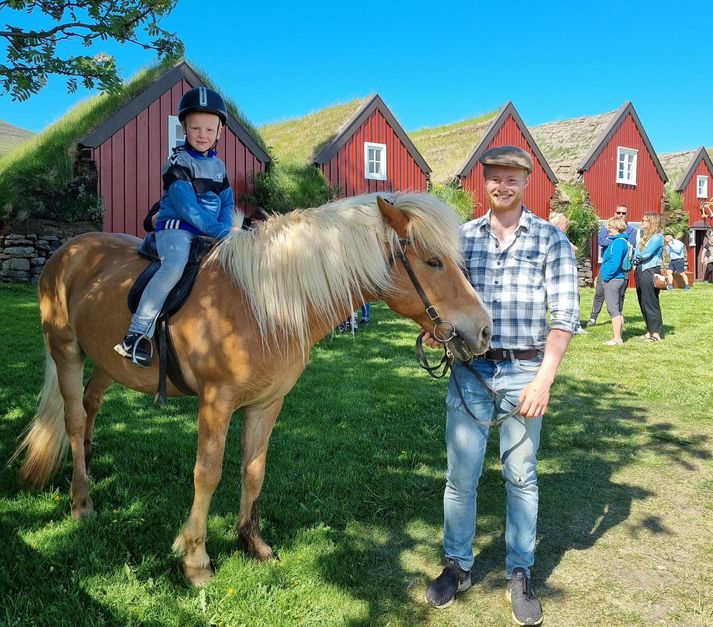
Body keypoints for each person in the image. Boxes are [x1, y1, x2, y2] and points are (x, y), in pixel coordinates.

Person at [423, 146, 579, 626]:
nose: (503, 186)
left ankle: (519, 572)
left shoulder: (551, 240)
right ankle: (458, 564)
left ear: (525, 182)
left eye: (512, 179)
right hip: (470, 370)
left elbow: (565, 316)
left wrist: (544, 379)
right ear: (483, 181)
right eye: (495, 178)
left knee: (520, 476)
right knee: (460, 477)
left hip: (524, 372)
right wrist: (435, 330)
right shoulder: (463, 238)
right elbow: (447, 301)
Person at [115, 86, 239, 367]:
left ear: (219, 132)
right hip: (177, 228)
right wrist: (220, 232)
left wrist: (226, 228)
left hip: (211, 231)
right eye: (196, 128)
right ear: (184, 128)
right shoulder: (177, 161)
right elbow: (186, 207)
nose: (203, 135)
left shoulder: (220, 167)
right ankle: (136, 334)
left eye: (210, 129)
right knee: (174, 265)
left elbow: (227, 202)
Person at [584, 205, 636, 327]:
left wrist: (612, 240)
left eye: (624, 213)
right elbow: (601, 241)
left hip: (623, 268)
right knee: (599, 293)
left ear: (626, 214)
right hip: (607, 265)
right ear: (615, 212)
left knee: (621, 294)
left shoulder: (631, 230)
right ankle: (593, 317)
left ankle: (617, 316)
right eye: (619, 212)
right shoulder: (607, 226)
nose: (621, 215)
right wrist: (616, 241)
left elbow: (631, 244)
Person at [633, 212, 664, 342]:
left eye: (644, 220)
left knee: (650, 301)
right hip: (640, 270)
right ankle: (649, 330)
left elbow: (645, 253)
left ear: (651, 222)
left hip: (650, 270)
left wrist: (637, 253)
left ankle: (656, 333)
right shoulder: (645, 236)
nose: (642, 222)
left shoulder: (658, 237)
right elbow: (636, 253)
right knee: (642, 300)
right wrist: (637, 254)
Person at [599, 216, 629, 345]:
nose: (608, 229)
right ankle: (619, 337)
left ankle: (617, 338)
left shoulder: (618, 242)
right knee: (617, 309)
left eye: (610, 226)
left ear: (617, 227)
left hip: (613, 279)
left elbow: (615, 262)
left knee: (613, 310)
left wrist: (606, 277)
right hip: (618, 278)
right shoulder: (620, 241)